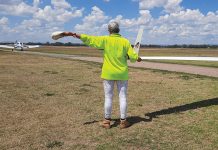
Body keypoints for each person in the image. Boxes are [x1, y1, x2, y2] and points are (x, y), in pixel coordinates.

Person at [62, 21, 141, 129]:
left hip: (108, 73)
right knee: (122, 97)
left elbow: (90, 39)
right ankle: (123, 121)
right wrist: (137, 57)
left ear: (109, 31)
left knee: (108, 97)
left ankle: (106, 121)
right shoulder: (125, 42)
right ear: (119, 30)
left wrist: (75, 34)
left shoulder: (105, 40)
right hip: (122, 74)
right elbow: (132, 58)